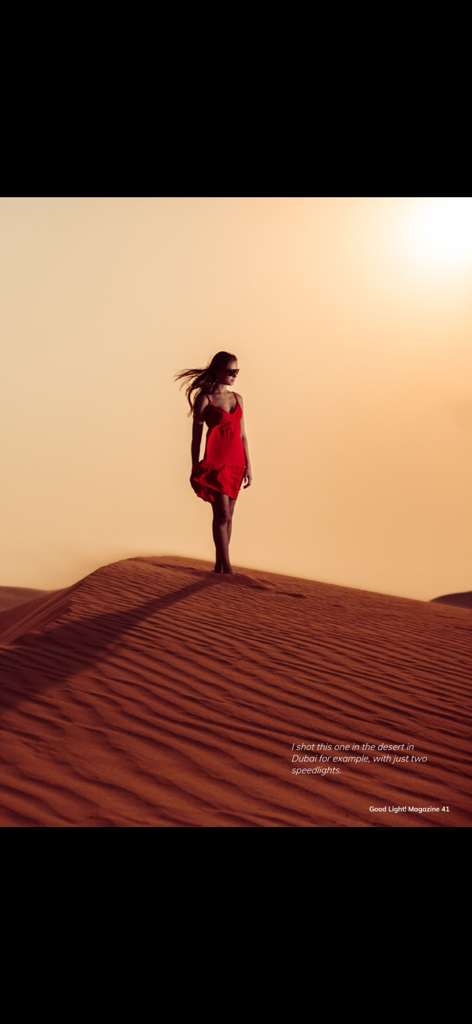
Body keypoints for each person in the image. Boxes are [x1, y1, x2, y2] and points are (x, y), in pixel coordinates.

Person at [174, 352, 252, 574]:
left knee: (230, 517)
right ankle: (227, 568)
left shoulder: (238, 398)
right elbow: (196, 438)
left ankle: (220, 565)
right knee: (222, 515)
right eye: (231, 371)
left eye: (237, 371)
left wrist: (249, 466)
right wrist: (195, 466)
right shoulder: (205, 400)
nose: (235, 375)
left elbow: (243, 435)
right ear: (218, 372)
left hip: (236, 462)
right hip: (215, 463)